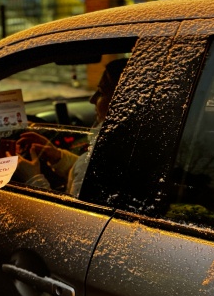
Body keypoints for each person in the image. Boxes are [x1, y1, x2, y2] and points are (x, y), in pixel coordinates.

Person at [12, 58, 128, 197]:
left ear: (122, 102)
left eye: (101, 93)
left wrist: (32, 179)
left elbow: (68, 218)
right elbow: (86, 174)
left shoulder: (104, 159)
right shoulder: (127, 144)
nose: (92, 99)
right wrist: (58, 157)